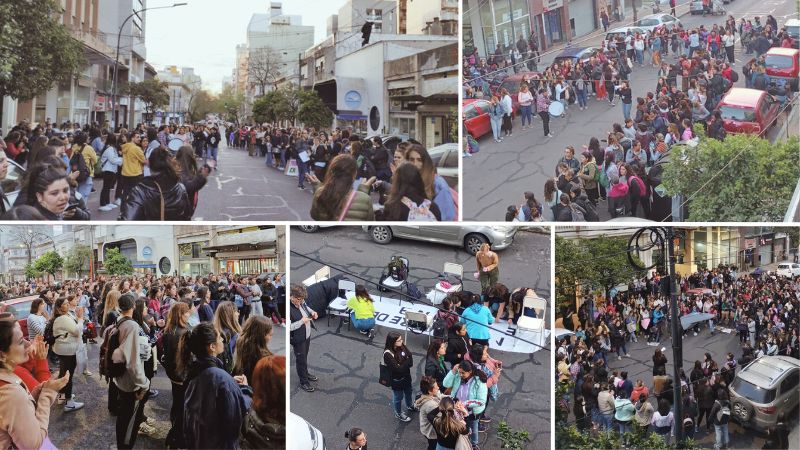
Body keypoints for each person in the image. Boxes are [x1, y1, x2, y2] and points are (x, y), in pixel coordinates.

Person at [179, 322, 253, 449]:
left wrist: (229, 382)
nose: (223, 339)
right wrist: (245, 389)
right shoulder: (220, 377)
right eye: (219, 337)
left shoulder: (195, 370)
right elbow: (236, 416)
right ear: (212, 346)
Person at [0, 316, 70, 449]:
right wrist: (48, 392)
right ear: (2, 355)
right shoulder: (10, 393)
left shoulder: (6, 376)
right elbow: (35, 445)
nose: (28, 343)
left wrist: (39, 390)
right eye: (21, 341)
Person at [112, 294, 150, 449]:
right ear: (133, 306)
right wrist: (144, 383)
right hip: (130, 382)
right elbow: (132, 362)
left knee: (123, 417)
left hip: (120, 378)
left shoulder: (119, 320)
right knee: (129, 421)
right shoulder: (132, 326)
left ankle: (121, 444)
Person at [119, 147, 190, 220]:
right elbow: (187, 217)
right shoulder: (181, 188)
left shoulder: (140, 191)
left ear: (149, 164)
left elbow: (127, 221)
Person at [307, 154, 375, 221]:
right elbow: (369, 222)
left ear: (331, 172)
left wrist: (318, 188)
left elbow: (315, 216)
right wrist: (362, 191)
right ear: (354, 175)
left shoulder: (320, 192)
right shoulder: (365, 199)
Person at [161, 301, 190, 449]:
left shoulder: (169, 330)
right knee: (182, 407)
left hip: (174, 375)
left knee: (177, 404)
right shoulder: (182, 333)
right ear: (180, 314)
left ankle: (174, 435)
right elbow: (187, 358)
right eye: (186, 312)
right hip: (181, 376)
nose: (189, 314)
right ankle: (175, 438)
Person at [442, 360, 488, 449]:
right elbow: (445, 384)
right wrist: (453, 372)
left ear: (470, 372)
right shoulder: (457, 375)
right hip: (456, 409)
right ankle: (460, 444)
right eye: (459, 372)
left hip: (471, 412)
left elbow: (482, 401)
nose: (460, 375)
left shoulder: (479, 381)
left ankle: (474, 444)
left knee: (473, 428)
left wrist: (465, 403)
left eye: (463, 373)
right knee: (458, 428)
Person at [52, 296, 85, 412]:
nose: (68, 305)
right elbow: (77, 331)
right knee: (68, 375)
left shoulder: (67, 315)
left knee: (63, 373)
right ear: (60, 307)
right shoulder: (62, 318)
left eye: (67, 303)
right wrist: (80, 319)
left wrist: (78, 317)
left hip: (65, 350)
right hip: (67, 351)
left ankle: (62, 397)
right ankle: (69, 402)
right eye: (65, 303)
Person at [289, 284, 318, 392]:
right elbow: (289, 327)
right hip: (298, 338)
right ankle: (304, 382)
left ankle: (305, 374)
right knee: (301, 360)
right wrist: (302, 321)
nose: (300, 302)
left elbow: (306, 307)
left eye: (302, 300)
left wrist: (312, 312)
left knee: (304, 357)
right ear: (291, 296)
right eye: (298, 299)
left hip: (307, 334)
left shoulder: (301, 301)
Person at [383, 332, 416, 422]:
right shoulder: (388, 354)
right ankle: (398, 413)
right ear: (393, 342)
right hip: (396, 380)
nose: (402, 341)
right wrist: (406, 362)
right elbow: (398, 369)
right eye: (399, 340)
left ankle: (409, 405)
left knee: (409, 392)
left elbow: (410, 358)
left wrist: (402, 364)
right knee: (398, 397)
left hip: (406, 376)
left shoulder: (401, 346)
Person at [233, 315, 274, 382]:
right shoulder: (264, 358)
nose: (270, 338)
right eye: (270, 335)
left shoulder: (242, 344)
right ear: (261, 335)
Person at [213, 300, 242, 374]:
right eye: (236, 311)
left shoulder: (219, 330)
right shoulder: (227, 334)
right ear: (230, 314)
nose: (238, 314)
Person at [415, 375, 443, 450]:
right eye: (436, 387)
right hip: (431, 432)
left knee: (432, 445)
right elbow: (442, 416)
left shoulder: (426, 396)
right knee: (433, 446)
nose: (438, 388)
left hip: (426, 428)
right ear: (430, 391)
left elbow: (440, 396)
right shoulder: (431, 405)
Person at [98, 133, 123, 211]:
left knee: (108, 187)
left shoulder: (110, 148)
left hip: (110, 170)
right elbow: (113, 159)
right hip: (108, 170)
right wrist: (123, 159)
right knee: (106, 187)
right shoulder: (110, 149)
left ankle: (107, 202)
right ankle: (102, 204)